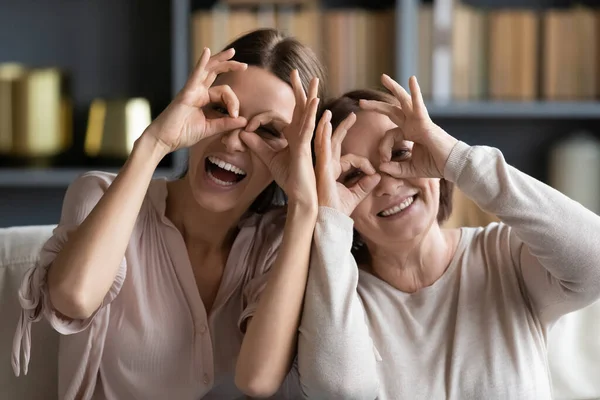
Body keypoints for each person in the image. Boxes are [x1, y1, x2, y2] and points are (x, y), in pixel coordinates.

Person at [12, 28, 325, 399]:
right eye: (221, 109)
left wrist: (306, 204)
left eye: (269, 131)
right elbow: (73, 298)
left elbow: (258, 380)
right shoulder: (99, 195)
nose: (232, 140)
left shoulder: (281, 242)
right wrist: (155, 142)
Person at [297, 74, 600, 399]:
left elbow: (593, 263)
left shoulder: (506, 255)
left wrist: (457, 159)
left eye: (399, 154)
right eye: (354, 174)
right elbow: (338, 390)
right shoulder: (338, 297)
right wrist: (330, 220)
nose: (387, 185)